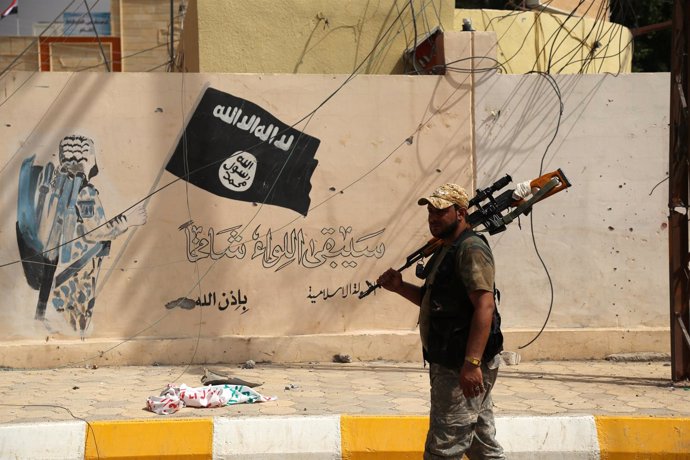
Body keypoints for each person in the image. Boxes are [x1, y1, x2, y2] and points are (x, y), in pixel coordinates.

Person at [376, 183, 505, 459]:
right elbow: (434, 300)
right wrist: (400, 287)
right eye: (430, 213)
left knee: (445, 445)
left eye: (441, 212)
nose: (433, 218)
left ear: (460, 213)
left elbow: (485, 305)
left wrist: (471, 364)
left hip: (462, 362)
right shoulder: (447, 248)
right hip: (451, 359)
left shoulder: (470, 249)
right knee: (479, 442)